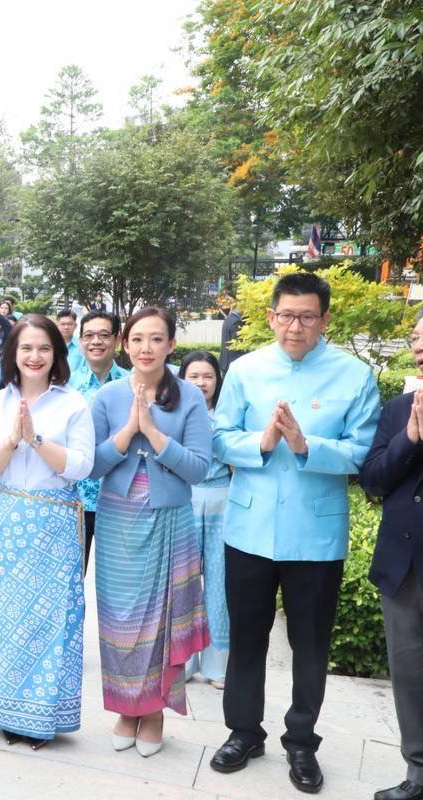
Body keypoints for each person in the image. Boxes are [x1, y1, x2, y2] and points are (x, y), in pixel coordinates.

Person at [209, 272, 380, 793]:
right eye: (286, 316)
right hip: (250, 530)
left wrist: (307, 447)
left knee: (309, 644)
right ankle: (243, 731)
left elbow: (362, 450)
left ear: (325, 319)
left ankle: (301, 741)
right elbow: (219, 436)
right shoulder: (246, 369)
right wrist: (258, 442)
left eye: (307, 317)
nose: (295, 327)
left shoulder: (354, 376)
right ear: (270, 316)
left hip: (315, 537)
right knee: (246, 639)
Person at [0, 314, 94, 749]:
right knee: (2, 617)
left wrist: (36, 439)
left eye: (44, 348)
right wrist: (11, 440)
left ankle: (41, 717)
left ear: (56, 354)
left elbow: (81, 466)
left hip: (52, 521)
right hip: (3, 517)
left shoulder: (73, 403)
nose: (35, 356)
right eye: (26, 348)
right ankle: (3, 709)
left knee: (49, 619)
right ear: (12, 354)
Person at [90, 306, 212, 757]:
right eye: (137, 338)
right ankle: (127, 706)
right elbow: (93, 465)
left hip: (169, 520)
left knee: (161, 620)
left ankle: (154, 708)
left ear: (171, 345)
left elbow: (200, 468)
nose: (146, 347)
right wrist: (128, 431)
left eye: (156, 339)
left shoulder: (190, 397)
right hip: (117, 519)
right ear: (126, 344)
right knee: (120, 621)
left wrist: (155, 436)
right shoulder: (106, 397)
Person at [359, 309, 423, 800]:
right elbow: (373, 480)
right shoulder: (399, 409)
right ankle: (417, 774)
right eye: (416, 337)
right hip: (405, 568)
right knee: (409, 671)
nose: (417, 345)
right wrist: (411, 439)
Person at [179, 352, 231, 689]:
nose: (201, 382)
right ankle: (181, 661)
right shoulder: (173, 413)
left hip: (222, 500)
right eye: (194, 375)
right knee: (182, 583)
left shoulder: (228, 416)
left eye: (208, 376)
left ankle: (217, 665)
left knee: (219, 582)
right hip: (183, 498)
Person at [70, 311, 129, 570]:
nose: (96, 341)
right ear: (81, 341)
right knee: (71, 579)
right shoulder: (66, 385)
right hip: (75, 499)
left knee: (120, 581)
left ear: (117, 340)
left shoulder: (132, 383)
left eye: (104, 335)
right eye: (89, 335)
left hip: (120, 498)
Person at [55, 309, 86, 374]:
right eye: (63, 324)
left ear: (75, 326)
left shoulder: (82, 346)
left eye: (70, 324)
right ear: (57, 325)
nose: (66, 327)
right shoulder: (50, 345)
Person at [219, 295, 244, 372]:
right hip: (233, 362)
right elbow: (238, 345)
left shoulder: (229, 319)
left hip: (225, 361)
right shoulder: (237, 322)